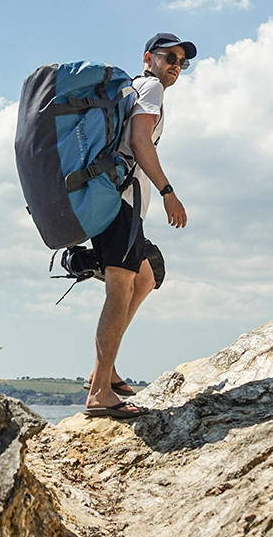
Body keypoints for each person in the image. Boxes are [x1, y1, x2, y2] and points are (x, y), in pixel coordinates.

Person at [84, 32, 196, 418]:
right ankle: (100, 393)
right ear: (149, 57)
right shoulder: (149, 88)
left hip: (118, 200)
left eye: (182, 62)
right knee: (120, 286)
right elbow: (140, 141)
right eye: (170, 58)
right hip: (121, 201)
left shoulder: (132, 89)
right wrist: (168, 191)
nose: (176, 66)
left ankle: (103, 370)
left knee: (145, 278)